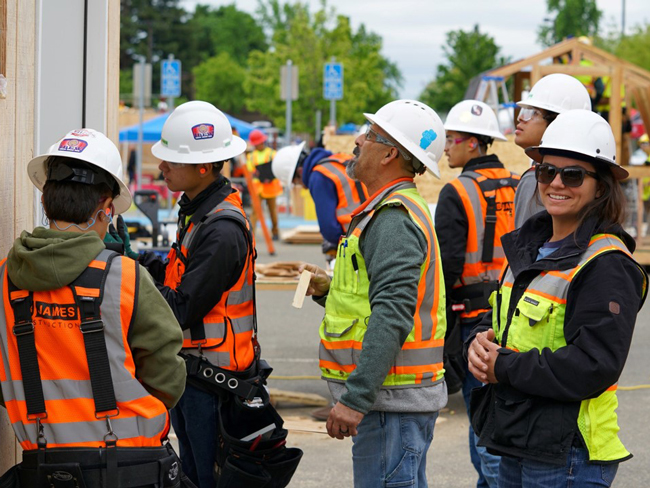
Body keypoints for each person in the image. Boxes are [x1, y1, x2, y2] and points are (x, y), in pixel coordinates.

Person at [466, 109, 648, 487]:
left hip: (568, 455)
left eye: (573, 174)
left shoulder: (606, 263)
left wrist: (504, 368)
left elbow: (594, 365)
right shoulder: (528, 246)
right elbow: (502, 316)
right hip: (519, 439)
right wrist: (478, 342)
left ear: (600, 186)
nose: (556, 183)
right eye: (547, 171)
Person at [0, 129, 187, 487]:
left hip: (42, 464)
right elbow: (167, 374)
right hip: (130, 463)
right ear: (105, 209)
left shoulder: (6, 279)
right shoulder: (125, 276)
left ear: (44, 202)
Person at [300, 99, 448, 488]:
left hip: (391, 404)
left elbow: (393, 314)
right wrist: (328, 291)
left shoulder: (393, 219)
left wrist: (355, 399)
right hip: (392, 402)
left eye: (369, 135)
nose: (358, 141)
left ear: (389, 154)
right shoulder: (386, 211)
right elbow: (374, 299)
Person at [142, 101, 256, 488]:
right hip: (196, 374)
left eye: (171, 161)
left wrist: (130, 280)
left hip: (213, 382)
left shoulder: (221, 230)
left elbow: (179, 309)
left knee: (205, 478)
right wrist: (137, 260)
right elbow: (179, 275)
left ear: (203, 168)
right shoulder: (198, 211)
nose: (162, 167)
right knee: (191, 474)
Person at [435, 99, 519, 488]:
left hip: (474, 320)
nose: (446, 147)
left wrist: (442, 328)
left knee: (483, 424)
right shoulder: (521, 184)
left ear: (473, 144)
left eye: (451, 139)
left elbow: (447, 266)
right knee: (502, 417)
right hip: (517, 315)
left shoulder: (457, 191)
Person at [513, 73, 591, 228]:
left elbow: (525, 248)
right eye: (524, 111)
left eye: (533, 113)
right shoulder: (589, 177)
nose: (520, 119)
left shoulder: (535, 180)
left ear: (559, 123)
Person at [271, 142, 369, 264]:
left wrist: (333, 242)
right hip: (373, 224)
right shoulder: (339, 159)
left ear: (300, 172)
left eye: (296, 183)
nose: (302, 187)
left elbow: (328, 226)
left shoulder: (318, 176)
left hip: (354, 236)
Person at [247, 128, 282, 239]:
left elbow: (277, 169)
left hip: (271, 186)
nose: (258, 145)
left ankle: (275, 232)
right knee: (255, 212)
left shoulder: (273, 154)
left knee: (272, 211)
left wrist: (270, 176)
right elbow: (250, 170)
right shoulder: (251, 156)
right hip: (258, 187)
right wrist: (256, 173)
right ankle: (251, 235)